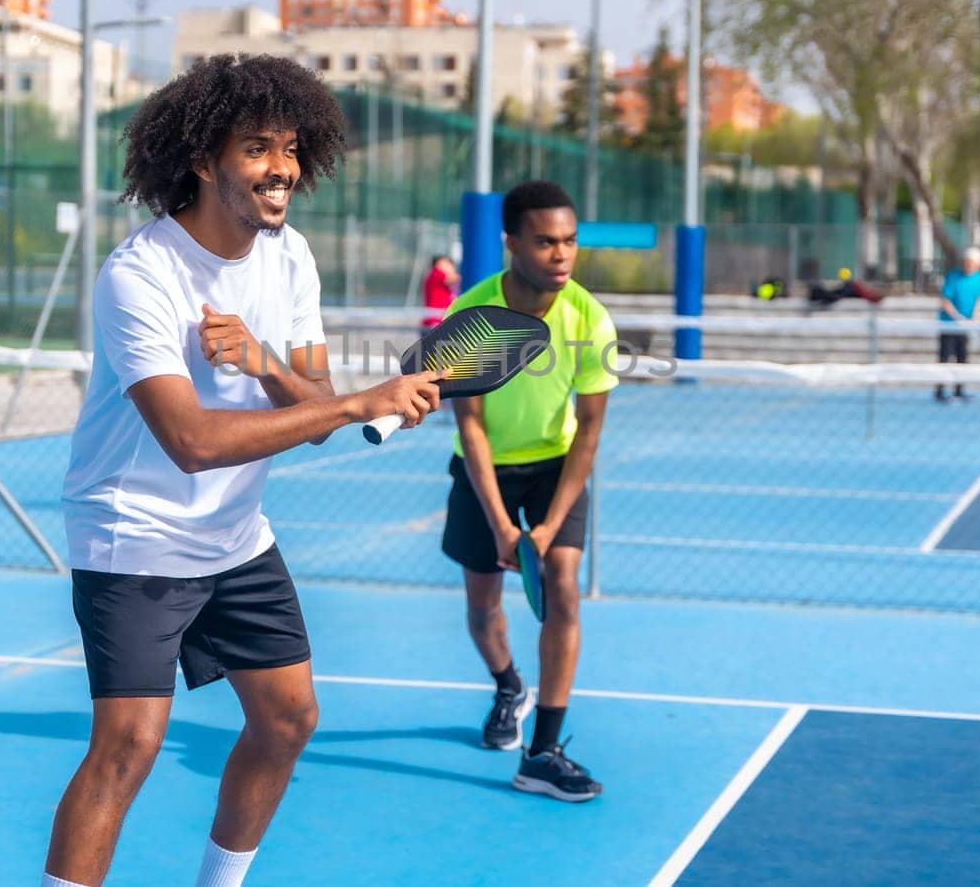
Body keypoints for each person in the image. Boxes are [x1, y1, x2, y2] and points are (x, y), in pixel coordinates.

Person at [44, 54, 442, 887]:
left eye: (291, 149)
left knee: (289, 717)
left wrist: (268, 364)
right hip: (136, 536)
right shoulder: (140, 277)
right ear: (203, 158)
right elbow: (188, 439)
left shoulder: (289, 256)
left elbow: (316, 404)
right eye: (259, 148)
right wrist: (357, 403)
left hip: (234, 536)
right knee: (128, 748)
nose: (283, 169)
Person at [440, 180, 618, 803]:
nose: (561, 255)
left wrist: (544, 530)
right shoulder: (473, 313)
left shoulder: (590, 318)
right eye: (546, 242)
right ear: (512, 242)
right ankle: (508, 684)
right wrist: (500, 525)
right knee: (484, 609)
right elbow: (470, 422)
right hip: (483, 467)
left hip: (554, 467)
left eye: (570, 242)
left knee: (563, 588)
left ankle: (542, 751)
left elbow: (590, 430)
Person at [935, 246, 980, 402]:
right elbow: (945, 301)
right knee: (945, 358)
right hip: (948, 325)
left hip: (965, 327)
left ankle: (959, 390)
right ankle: (940, 391)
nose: (968, 265)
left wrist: (975, 319)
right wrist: (959, 319)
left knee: (962, 358)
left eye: (972, 263)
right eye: (966, 262)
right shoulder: (953, 276)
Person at [421, 254, 460, 333]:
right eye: (447, 264)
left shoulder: (436, 275)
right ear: (439, 264)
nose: (450, 266)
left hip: (438, 322)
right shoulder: (436, 273)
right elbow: (454, 279)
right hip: (435, 323)